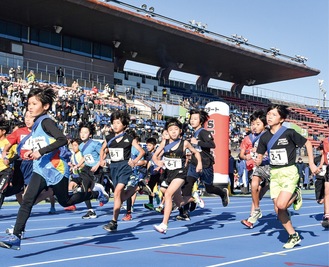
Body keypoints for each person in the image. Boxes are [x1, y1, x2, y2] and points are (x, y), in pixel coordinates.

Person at [0, 87, 108, 250]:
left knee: (65, 201)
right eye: (29, 103)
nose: (30, 106)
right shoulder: (36, 126)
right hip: (41, 168)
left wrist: (40, 151)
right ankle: (16, 236)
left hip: (56, 169)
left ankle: (96, 193)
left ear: (46, 106)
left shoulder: (46, 121)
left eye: (34, 103)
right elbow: (42, 144)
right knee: (27, 200)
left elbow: (62, 140)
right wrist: (31, 152)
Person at [255, 104, 318, 249]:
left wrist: (312, 164)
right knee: (279, 210)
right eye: (268, 114)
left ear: (282, 119)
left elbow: (307, 143)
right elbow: (259, 157)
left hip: (289, 172)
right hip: (274, 174)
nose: (269, 117)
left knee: (281, 205)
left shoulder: (289, 132)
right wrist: (257, 160)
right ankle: (293, 235)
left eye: (273, 115)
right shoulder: (264, 137)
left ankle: (296, 192)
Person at [152, 117, 203, 234]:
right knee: (179, 203)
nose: (173, 132)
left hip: (180, 173)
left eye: (176, 129)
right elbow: (155, 156)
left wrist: (199, 163)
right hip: (169, 174)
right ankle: (193, 198)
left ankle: (164, 224)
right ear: (167, 132)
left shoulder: (184, 143)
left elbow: (196, 152)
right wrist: (158, 162)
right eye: (171, 130)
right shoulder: (164, 143)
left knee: (168, 194)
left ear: (180, 131)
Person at [177, 109, 229, 221]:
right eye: (191, 119)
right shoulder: (193, 133)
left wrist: (198, 142)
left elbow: (212, 144)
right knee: (187, 184)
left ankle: (222, 193)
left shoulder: (204, 132)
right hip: (193, 164)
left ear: (200, 121)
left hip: (206, 164)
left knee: (209, 188)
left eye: (195, 119)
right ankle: (185, 211)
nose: (192, 121)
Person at [100, 110, 145, 232]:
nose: (115, 125)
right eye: (113, 122)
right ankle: (137, 187)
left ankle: (113, 221)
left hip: (125, 167)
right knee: (120, 196)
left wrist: (135, 161)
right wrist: (101, 160)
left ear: (124, 125)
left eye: (118, 123)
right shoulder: (108, 137)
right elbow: (103, 150)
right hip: (113, 168)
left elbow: (142, 152)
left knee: (117, 191)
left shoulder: (129, 138)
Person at [240, 110, 270, 229]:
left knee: (258, 190)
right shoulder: (247, 139)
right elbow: (241, 154)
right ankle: (252, 217)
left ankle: (253, 216)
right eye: (252, 124)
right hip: (253, 168)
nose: (254, 127)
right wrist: (246, 156)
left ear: (264, 125)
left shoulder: (268, 136)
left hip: (267, 167)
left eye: (258, 124)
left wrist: (260, 153)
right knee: (256, 191)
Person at [73, 122, 108, 219]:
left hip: (96, 170)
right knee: (84, 190)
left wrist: (98, 164)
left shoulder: (95, 144)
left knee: (94, 189)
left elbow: (103, 154)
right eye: (81, 132)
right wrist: (78, 165)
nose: (83, 134)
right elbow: (84, 157)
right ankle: (90, 210)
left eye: (85, 132)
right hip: (86, 169)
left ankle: (105, 188)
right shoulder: (80, 146)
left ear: (90, 134)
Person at [318, 137, 329, 228]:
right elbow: (324, 155)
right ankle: (327, 216)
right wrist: (320, 166)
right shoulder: (326, 141)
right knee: (327, 192)